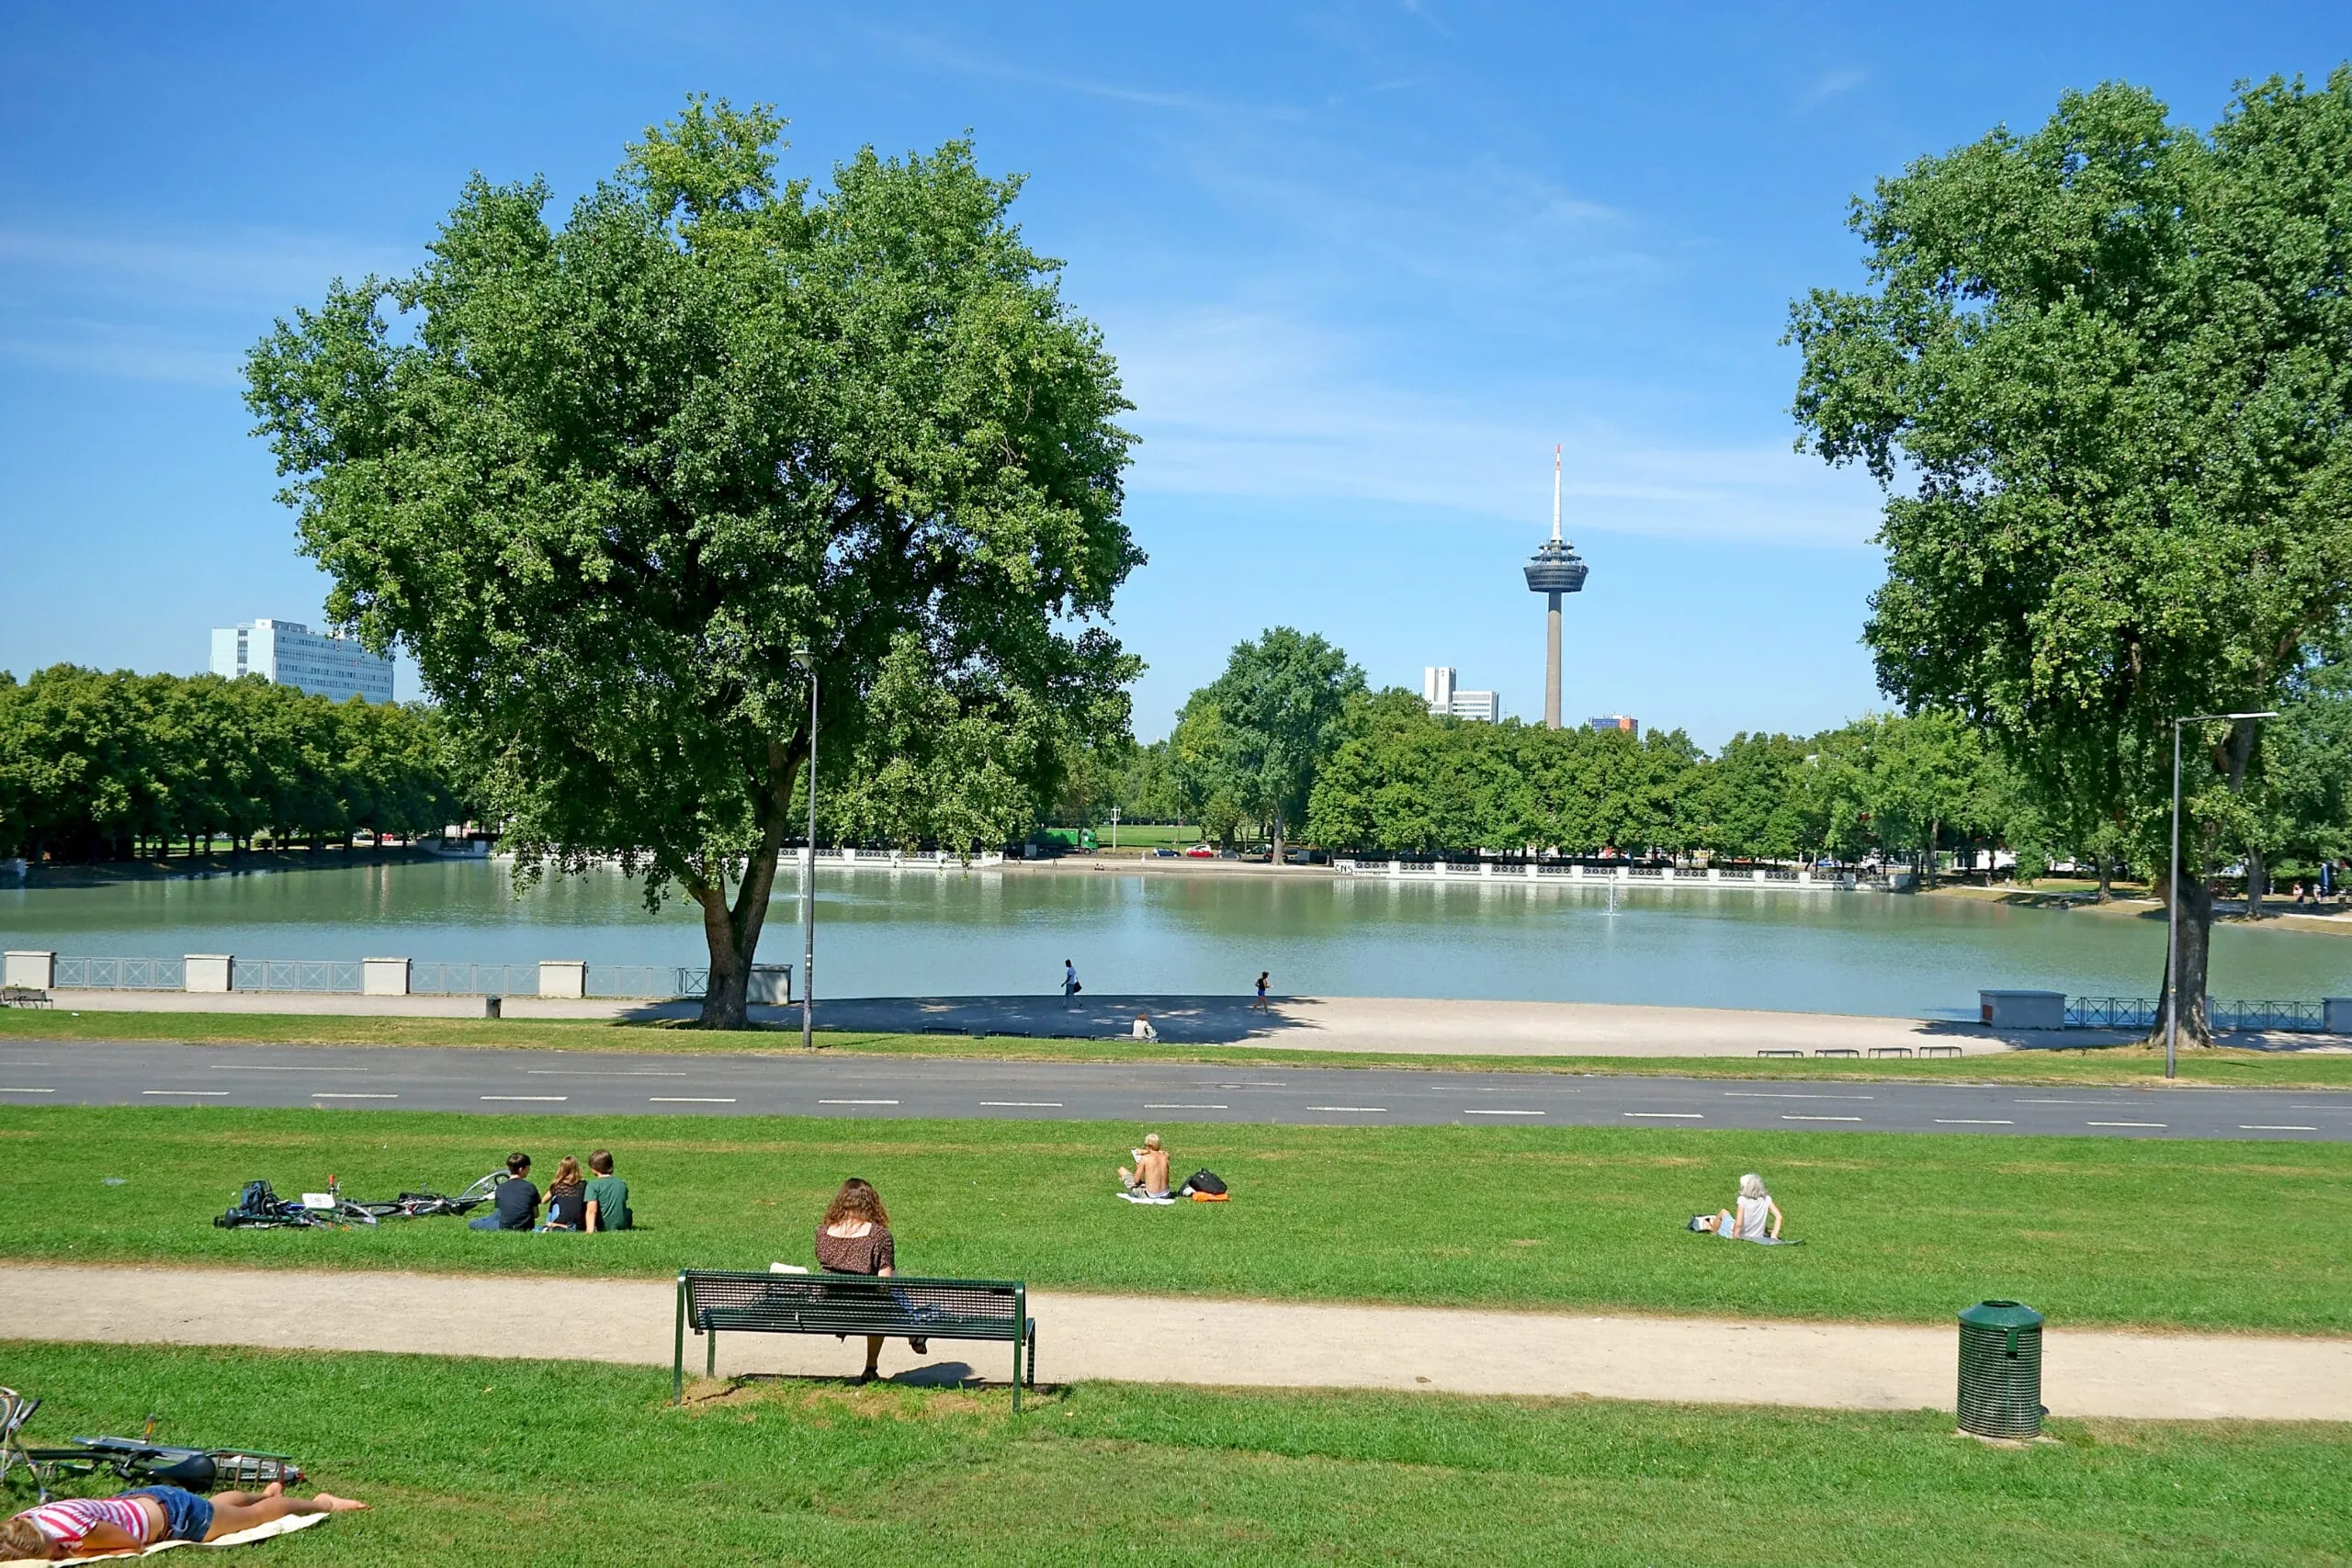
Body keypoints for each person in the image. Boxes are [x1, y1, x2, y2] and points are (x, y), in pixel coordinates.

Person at [3, 1482, 367, 1558]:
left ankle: (322, 1503)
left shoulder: (78, 1533)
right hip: (155, 1501)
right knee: (218, 1508)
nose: (56, 1557)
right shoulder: (23, 1522)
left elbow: (131, 1545)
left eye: (53, 1555)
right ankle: (269, 1493)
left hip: (176, 1516)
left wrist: (73, 1554)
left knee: (254, 1517)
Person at [815, 1178, 926, 1382]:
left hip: (832, 1308)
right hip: (867, 1310)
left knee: (887, 1288)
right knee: (889, 1287)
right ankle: (874, 1364)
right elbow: (885, 1286)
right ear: (871, 1203)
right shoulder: (879, 1236)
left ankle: (913, 1329)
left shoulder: (823, 1233)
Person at [1696, 1173, 1784, 1242]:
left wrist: (1735, 1237)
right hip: (1758, 1235)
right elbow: (1779, 1217)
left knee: (1723, 1212)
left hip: (1741, 1234)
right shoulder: (1767, 1199)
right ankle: (1711, 1224)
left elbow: (1738, 1224)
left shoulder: (1742, 1200)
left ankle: (1713, 1232)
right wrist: (1773, 1236)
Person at [468, 1152, 537, 1231]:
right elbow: (536, 1214)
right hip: (527, 1227)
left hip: (505, 1227)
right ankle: (486, 1220)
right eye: (528, 1167)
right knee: (497, 1214)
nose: (529, 1170)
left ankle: (484, 1220)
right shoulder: (530, 1187)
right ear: (521, 1169)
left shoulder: (500, 1188)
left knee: (472, 1223)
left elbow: (502, 1211)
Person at [583, 1148, 631, 1232]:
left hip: (603, 1226)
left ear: (594, 1168)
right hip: (622, 1225)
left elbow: (592, 1210)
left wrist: (589, 1231)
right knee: (628, 1211)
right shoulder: (621, 1184)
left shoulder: (593, 1186)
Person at [539, 1156, 587, 1232]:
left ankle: (551, 1224)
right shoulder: (583, 1184)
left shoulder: (557, 1186)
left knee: (554, 1199)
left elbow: (543, 1201)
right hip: (580, 1222)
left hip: (561, 1219)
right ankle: (569, 1227)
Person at [1119, 1133, 1172, 1201]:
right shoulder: (1165, 1157)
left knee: (1121, 1170)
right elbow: (1163, 1152)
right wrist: (1146, 1151)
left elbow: (1136, 1180)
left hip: (1150, 1195)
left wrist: (1138, 1166)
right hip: (1166, 1194)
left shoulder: (1145, 1159)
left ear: (1148, 1145)